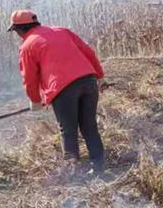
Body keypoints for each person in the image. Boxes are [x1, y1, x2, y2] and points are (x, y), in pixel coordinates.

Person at [9, 9, 106, 172]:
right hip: (88, 81)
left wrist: (35, 100)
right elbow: (88, 52)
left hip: (63, 89)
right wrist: (100, 76)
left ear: (21, 28)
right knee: (89, 126)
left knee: (68, 131)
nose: (17, 34)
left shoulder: (27, 46)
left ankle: (73, 173)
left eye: (15, 30)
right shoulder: (62, 31)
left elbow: (29, 77)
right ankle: (99, 167)